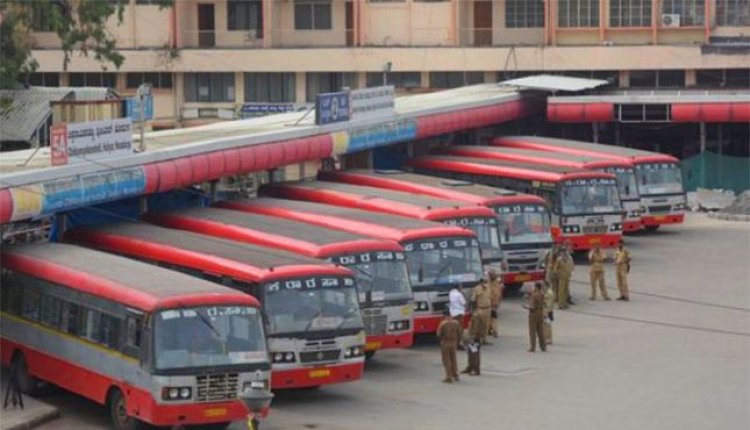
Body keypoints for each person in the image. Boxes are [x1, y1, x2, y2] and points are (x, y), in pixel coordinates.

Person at [436, 309, 461, 383]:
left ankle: (448, 376)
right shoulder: (456, 322)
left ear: (445, 315)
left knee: (446, 360)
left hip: (445, 342)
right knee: (453, 359)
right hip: (454, 342)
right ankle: (455, 374)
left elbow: (438, 334)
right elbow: (459, 332)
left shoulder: (443, 323)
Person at [461, 309, 485, 376]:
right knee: (470, 352)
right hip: (475, 337)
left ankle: (475, 370)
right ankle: (470, 367)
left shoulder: (476, 316)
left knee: (474, 354)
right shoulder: (478, 315)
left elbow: (476, 327)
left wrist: (473, 337)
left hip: (474, 337)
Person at [526, 283, 546, 352]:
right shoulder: (542, 294)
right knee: (541, 330)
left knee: (532, 331)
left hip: (534, 313)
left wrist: (526, 307)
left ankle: (533, 347)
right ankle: (543, 346)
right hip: (541, 312)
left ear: (537, 287)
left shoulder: (534, 295)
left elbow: (532, 307)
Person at [470, 279, 492, 345]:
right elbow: (473, 300)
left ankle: (484, 339)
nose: (485, 283)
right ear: (480, 282)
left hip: (488, 309)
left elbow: (490, 297)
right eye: (483, 282)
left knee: (486, 325)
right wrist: (473, 310)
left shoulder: (488, 288)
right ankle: (476, 339)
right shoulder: (476, 289)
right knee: (478, 325)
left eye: (486, 282)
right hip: (480, 309)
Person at [554, 244, 575, 309]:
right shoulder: (559, 259)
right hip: (561, 276)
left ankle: (565, 303)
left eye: (565, 251)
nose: (564, 253)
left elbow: (571, 266)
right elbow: (555, 269)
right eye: (563, 252)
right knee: (561, 291)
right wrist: (558, 274)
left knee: (566, 290)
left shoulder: (569, 259)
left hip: (567, 275)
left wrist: (570, 272)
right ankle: (560, 304)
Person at [448, 284, 467, 350]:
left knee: (454, 329)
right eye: (461, 287)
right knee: (460, 329)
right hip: (459, 313)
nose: (462, 288)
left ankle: (454, 344)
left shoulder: (451, 293)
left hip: (453, 313)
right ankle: (460, 343)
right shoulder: (459, 295)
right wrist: (463, 293)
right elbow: (464, 303)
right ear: (458, 287)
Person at [487, 269, 503, 338]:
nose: (489, 276)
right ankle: (490, 330)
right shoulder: (495, 283)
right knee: (491, 317)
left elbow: (497, 294)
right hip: (492, 303)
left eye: (490, 274)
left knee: (493, 317)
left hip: (492, 303)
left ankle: (494, 331)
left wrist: (497, 302)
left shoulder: (494, 284)